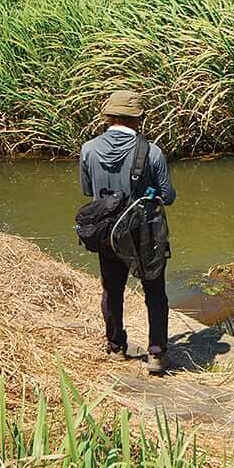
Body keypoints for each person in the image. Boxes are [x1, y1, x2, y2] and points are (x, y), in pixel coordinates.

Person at [79, 90, 177, 375]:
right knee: (155, 292)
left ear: (109, 117)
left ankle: (115, 346)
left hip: (107, 234)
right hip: (144, 236)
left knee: (112, 290)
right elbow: (168, 196)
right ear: (138, 118)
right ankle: (156, 354)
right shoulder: (152, 152)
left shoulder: (88, 149)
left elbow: (87, 190)